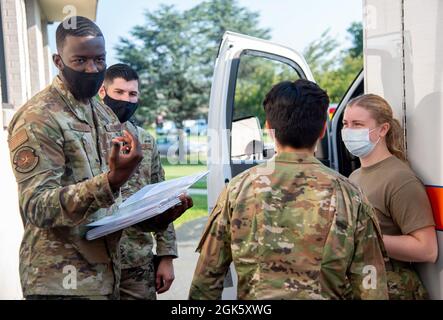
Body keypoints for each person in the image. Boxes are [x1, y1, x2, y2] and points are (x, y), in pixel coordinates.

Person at [7, 16, 192, 300]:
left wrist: (157, 217)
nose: (92, 69)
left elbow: (112, 211)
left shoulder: (102, 113)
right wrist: (110, 181)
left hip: (107, 278)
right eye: (80, 61)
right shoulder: (39, 117)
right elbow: (36, 206)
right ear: (59, 61)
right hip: (60, 282)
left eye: (99, 60)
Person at [189, 79, 389, 300]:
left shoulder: (238, 190)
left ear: (268, 128)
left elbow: (206, 281)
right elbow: (371, 287)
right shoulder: (350, 195)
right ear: (323, 129)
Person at [342, 93, 438, 299]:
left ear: (383, 129)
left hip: (393, 290)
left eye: (357, 124)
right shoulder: (355, 176)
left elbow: (427, 249)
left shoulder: (400, 179)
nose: (348, 131)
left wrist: (362, 239)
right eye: (345, 124)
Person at [98, 64, 177, 300]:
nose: (127, 100)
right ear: (103, 92)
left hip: (138, 262)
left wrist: (166, 256)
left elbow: (162, 197)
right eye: (119, 92)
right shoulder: (88, 137)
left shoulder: (146, 141)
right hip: (96, 262)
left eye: (133, 94)